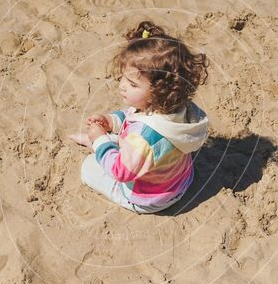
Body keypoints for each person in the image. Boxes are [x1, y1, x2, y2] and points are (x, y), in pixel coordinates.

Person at [68, 20, 210, 214]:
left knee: (88, 167)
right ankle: (97, 141)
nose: (122, 86)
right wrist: (111, 121)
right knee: (115, 142)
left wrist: (100, 139)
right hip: (180, 180)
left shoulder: (145, 137)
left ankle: (95, 143)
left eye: (133, 84)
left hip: (150, 198)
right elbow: (131, 116)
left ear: (159, 91)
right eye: (124, 77)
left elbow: (121, 172)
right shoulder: (175, 107)